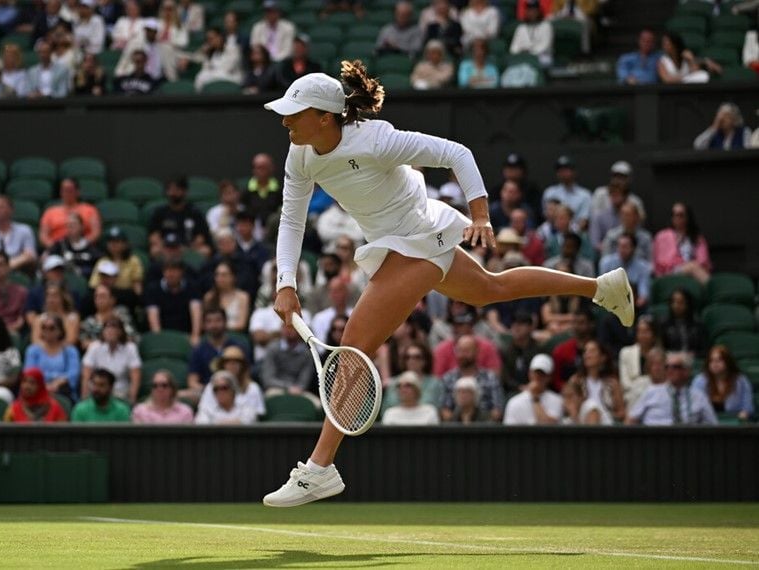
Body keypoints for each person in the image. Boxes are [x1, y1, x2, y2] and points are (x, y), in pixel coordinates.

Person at [261, 65, 633, 507]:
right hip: (399, 241)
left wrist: (480, 215)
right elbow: (291, 219)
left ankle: (320, 469)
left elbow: (458, 153)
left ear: (324, 116)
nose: (285, 121)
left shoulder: (377, 139)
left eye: (294, 113)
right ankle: (600, 288)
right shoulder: (300, 154)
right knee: (488, 289)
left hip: (419, 236)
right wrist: (286, 282)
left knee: (354, 345)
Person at [627, 351, 717, 425]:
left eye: (675, 367)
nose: (670, 370)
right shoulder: (652, 392)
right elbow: (631, 421)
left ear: (686, 371)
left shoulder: (698, 397)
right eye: (667, 367)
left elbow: (713, 425)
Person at [438, 334, 504, 422]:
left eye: (466, 351)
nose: (462, 355)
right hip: (455, 427)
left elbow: (497, 410)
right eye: (459, 351)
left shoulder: (490, 377)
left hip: (485, 427)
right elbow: (444, 410)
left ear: (476, 352)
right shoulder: (448, 378)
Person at [80, 316, 142, 404]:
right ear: (103, 331)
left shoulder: (130, 348)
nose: (110, 331)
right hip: (97, 390)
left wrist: (132, 400)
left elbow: (135, 377)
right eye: (107, 328)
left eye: (114, 328)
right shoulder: (94, 347)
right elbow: (86, 375)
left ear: (121, 332)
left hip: (120, 393)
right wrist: (84, 398)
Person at [197, 345, 265, 419]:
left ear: (242, 366)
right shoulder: (211, 386)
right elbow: (203, 414)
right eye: (228, 363)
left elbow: (255, 416)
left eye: (236, 362)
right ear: (222, 365)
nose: (232, 366)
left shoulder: (252, 388)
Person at [147, 176, 211, 255]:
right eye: (170, 190)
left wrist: (189, 249)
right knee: (154, 250)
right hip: (166, 248)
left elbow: (201, 237)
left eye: (177, 190)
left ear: (185, 191)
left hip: (189, 248)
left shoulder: (195, 213)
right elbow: (154, 236)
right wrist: (164, 247)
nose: (173, 193)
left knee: (205, 250)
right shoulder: (159, 212)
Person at [260, 322, 319, 406]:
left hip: (299, 390)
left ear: (299, 330)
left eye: (293, 328)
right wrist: (288, 387)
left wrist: (298, 388)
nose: (289, 331)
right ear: (281, 329)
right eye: (286, 327)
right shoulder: (272, 349)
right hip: (276, 388)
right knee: (268, 397)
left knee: (317, 405)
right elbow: (268, 379)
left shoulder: (307, 353)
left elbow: (305, 379)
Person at [24, 313, 81, 400]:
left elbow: (73, 374)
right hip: (37, 388)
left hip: (62, 390)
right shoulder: (33, 350)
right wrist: (45, 385)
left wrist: (56, 383)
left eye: (51, 328)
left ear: (60, 331)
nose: (47, 331)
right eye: (44, 328)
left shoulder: (70, 351)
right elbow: (29, 372)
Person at [144, 258, 202, 343]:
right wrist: (159, 338)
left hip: (186, 334)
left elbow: (196, 312)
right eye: (167, 271)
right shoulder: (153, 289)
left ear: (181, 272)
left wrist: (195, 336)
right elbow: (153, 316)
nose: (170, 274)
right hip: (163, 334)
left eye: (174, 271)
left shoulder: (192, 287)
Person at [567, 339, 625, 422]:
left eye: (592, 351)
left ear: (603, 357)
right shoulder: (576, 381)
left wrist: (604, 414)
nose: (587, 354)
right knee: (591, 406)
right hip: (582, 421)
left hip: (606, 421)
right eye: (585, 351)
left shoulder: (612, 383)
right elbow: (572, 407)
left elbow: (621, 412)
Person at [652, 201, 711, 283]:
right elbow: (662, 263)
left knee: (693, 267)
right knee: (692, 266)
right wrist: (685, 264)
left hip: (693, 273)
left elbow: (703, 261)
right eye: (674, 214)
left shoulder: (697, 237)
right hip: (669, 274)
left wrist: (690, 265)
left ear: (688, 217)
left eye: (680, 215)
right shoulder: (662, 236)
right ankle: (714, 290)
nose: (676, 218)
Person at [693, 346, 754, 421]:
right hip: (707, 424)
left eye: (719, 360)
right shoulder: (700, 381)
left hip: (734, 423)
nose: (715, 364)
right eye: (711, 360)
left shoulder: (741, 381)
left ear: (728, 362)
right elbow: (695, 408)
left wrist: (741, 418)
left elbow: (748, 408)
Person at [39, 178, 102, 248]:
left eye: (70, 190)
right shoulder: (50, 212)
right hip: (57, 249)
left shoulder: (90, 210)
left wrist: (81, 245)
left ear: (77, 192)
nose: (67, 193)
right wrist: (56, 248)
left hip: (83, 248)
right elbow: (43, 236)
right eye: (64, 190)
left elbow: (96, 233)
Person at [382, 341, 442, 414]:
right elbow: (386, 410)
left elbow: (438, 410)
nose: (411, 360)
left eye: (417, 357)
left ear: (425, 360)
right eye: (408, 357)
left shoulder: (435, 383)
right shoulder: (394, 383)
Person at [503, 353, 562, 425]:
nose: (538, 377)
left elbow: (549, 427)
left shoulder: (557, 400)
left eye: (542, 374)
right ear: (529, 374)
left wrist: (536, 399)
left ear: (549, 377)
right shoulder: (514, 402)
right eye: (536, 373)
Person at [598, 232, 652, 311]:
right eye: (620, 246)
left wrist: (639, 302)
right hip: (611, 302)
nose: (622, 250)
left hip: (634, 304)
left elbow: (643, 291)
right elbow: (602, 288)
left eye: (625, 247)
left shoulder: (643, 267)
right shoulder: (606, 263)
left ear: (634, 248)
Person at [90, 226, 144, 298]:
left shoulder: (133, 261)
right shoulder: (102, 261)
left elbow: (137, 287)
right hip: (105, 297)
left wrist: (138, 298)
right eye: (110, 241)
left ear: (125, 244)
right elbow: (94, 285)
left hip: (126, 296)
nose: (113, 244)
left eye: (117, 241)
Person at [618, 315, 660, 408]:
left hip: (655, 395)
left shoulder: (661, 354)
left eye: (646, 331)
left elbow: (661, 381)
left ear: (654, 334)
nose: (643, 335)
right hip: (632, 396)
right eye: (640, 332)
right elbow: (625, 383)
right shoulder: (626, 353)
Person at [541, 155, 592, 231]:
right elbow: (547, 216)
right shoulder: (549, 193)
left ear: (574, 172)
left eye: (566, 169)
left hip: (575, 235)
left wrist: (569, 235)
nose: (563, 173)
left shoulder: (585, 195)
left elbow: (584, 221)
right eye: (560, 170)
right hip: (552, 233)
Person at [80, 284, 137, 350]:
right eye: (96, 296)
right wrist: (106, 345)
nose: (99, 299)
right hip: (98, 356)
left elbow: (132, 336)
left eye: (102, 296)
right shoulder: (88, 322)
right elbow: (84, 343)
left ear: (112, 299)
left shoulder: (121, 313)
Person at [47, 212, 102, 279]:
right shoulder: (59, 246)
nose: (71, 227)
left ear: (82, 226)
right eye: (68, 225)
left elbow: (99, 266)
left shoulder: (90, 248)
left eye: (74, 224)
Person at [4, 367, 68, 423]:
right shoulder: (13, 410)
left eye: (32, 383)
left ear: (40, 386)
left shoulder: (54, 408)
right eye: (24, 381)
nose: (26, 386)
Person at [500, 310, 541, 396]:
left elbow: (541, 373)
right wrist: (519, 387)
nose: (516, 327)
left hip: (536, 389)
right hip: (512, 391)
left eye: (521, 324)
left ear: (530, 327)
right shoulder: (507, 350)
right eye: (514, 324)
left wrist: (531, 386)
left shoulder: (538, 350)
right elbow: (505, 377)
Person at [203, 261, 251, 332]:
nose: (219, 278)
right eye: (217, 275)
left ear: (233, 277)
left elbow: (241, 324)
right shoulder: (209, 297)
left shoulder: (243, 297)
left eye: (224, 275)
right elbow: (204, 323)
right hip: (212, 336)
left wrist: (218, 328)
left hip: (235, 335)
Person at [241, 153, 282, 231]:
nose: (261, 171)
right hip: (252, 231)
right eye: (258, 168)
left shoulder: (280, 190)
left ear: (271, 168)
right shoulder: (246, 191)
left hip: (275, 231)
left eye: (264, 168)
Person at [510, 0, 553, 67]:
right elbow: (513, 48)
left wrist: (529, 53)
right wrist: (522, 53)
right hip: (522, 58)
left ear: (539, 11)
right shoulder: (521, 28)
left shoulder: (546, 26)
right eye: (529, 10)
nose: (531, 12)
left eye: (534, 10)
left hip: (540, 58)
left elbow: (545, 46)